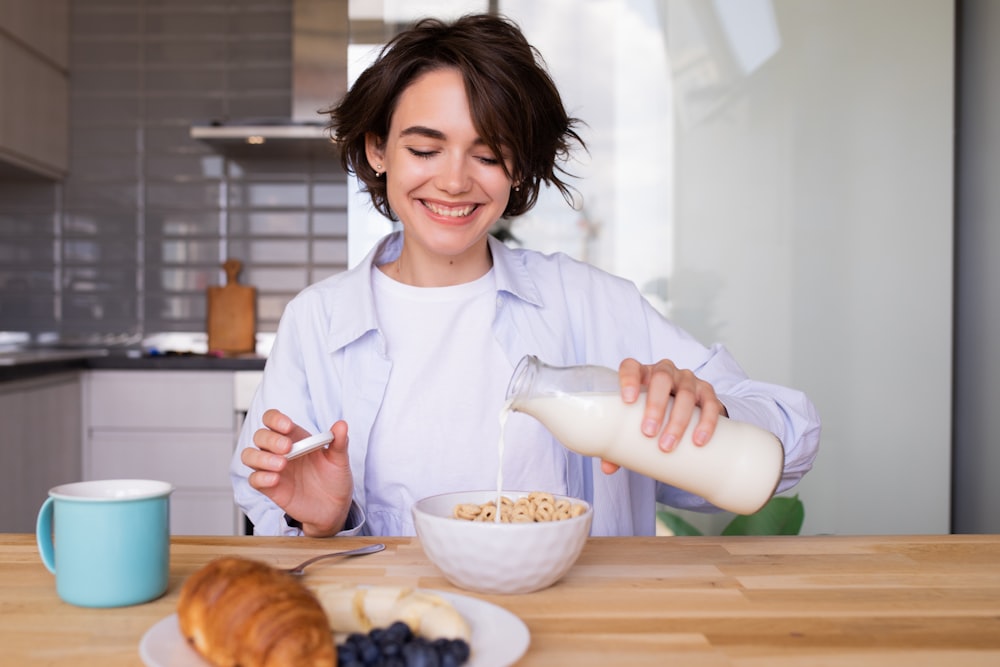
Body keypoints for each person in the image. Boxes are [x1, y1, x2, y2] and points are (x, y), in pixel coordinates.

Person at [230, 14, 820, 538]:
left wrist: (705, 416)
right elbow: (264, 493)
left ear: (517, 170)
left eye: (488, 155)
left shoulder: (590, 302)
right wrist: (322, 520)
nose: (456, 181)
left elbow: (791, 442)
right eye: (425, 149)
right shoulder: (319, 319)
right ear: (378, 151)